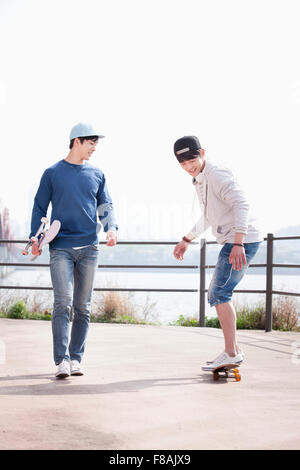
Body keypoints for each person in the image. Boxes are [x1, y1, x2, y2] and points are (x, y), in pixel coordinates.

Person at [30, 122, 118, 378]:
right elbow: (39, 207)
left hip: (90, 247)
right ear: (76, 141)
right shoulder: (52, 173)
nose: (94, 148)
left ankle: (76, 358)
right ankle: (62, 361)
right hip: (61, 249)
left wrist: (110, 227)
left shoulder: (97, 174)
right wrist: (35, 237)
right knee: (63, 303)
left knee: (83, 306)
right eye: (91, 143)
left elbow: (105, 204)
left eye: (96, 144)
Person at [173, 136, 262, 371]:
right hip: (235, 240)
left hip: (240, 241)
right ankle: (234, 350)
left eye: (192, 160)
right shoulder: (201, 180)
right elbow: (209, 216)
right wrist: (187, 239)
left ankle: (231, 352)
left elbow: (242, 204)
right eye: (183, 164)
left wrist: (238, 242)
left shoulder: (217, 174)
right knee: (219, 292)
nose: (189, 167)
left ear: (202, 152)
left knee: (220, 293)